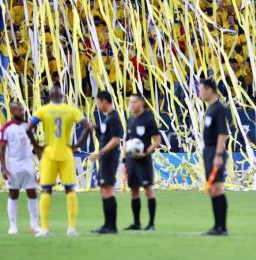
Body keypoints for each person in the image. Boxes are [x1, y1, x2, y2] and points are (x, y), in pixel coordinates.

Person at [26, 85, 95, 237]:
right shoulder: (71, 110)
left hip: (49, 153)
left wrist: (37, 145)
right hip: (66, 153)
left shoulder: (43, 110)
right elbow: (88, 126)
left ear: (49, 96)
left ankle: (44, 229)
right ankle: (71, 228)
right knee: (70, 189)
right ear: (63, 96)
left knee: (46, 190)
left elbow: (28, 128)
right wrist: (77, 145)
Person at [77, 90, 123, 234]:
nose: (97, 105)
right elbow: (106, 136)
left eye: (98, 102)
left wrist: (100, 153)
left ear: (104, 101)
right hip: (106, 158)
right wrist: (95, 127)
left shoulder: (114, 117)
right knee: (104, 190)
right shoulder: (108, 118)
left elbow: (116, 140)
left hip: (109, 158)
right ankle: (107, 225)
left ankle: (111, 226)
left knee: (108, 190)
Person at [123, 93, 161, 231]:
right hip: (131, 161)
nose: (131, 105)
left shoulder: (149, 119)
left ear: (141, 103)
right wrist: (124, 159)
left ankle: (151, 224)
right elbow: (126, 141)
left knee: (148, 191)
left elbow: (157, 140)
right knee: (134, 191)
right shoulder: (130, 120)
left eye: (134, 102)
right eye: (130, 102)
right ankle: (136, 223)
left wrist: (146, 152)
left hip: (144, 161)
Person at [0, 102, 39, 234]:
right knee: (13, 194)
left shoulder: (29, 126)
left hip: (28, 165)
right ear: (12, 112)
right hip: (13, 166)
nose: (22, 112)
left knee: (32, 193)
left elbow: (35, 144)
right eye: (18, 110)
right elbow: (2, 148)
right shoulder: (6, 128)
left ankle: (34, 225)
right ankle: (13, 226)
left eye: (22, 110)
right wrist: (4, 168)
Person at [199, 78, 230, 236]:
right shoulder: (210, 109)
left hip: (214, 151)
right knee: (212, 188)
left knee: (217, 187)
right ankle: (217, 226)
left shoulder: (218, 109)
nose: (200, 92)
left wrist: (218, 154)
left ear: (210, 90)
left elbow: (222, 133)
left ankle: (222, 227)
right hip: (208, 151)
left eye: (201, 89)